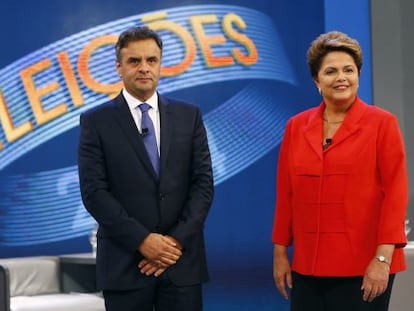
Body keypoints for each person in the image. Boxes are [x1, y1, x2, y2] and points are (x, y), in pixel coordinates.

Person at [78, 26, 214, 311]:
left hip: (181, 263)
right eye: (134, 61)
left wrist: (173, 243)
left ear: (160, 64)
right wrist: (142, 241)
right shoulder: (96, 122)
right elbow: (94, 192)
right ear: (119, 67)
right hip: (124, 264)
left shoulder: (189, 116)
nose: (144, 68)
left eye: (151, 60)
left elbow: (202, 184)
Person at [272, 31, 408, 311]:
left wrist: (382, 260)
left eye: (349, 70)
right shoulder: (296, 127)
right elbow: (286, 194)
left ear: (358, 75)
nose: (341, 77)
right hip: (307, 267)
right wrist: (280, 252)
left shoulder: (382, 124)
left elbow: (395, 194)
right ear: (316, 81)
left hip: (364, 266)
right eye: (331, 71)